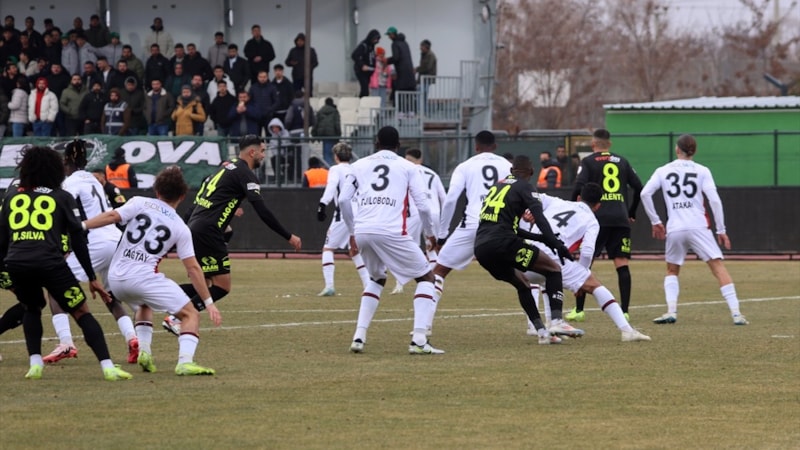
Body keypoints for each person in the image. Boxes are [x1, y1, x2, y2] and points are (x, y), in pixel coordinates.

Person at [0, 146, 131, 381]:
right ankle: (108, 366)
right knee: (81, 312)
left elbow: (2, 239)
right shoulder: (61, 196)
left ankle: (35, 364)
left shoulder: (11, 196)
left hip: (17, 263)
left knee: (31, 308)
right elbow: (78, 239)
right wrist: (92, 278)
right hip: (51, 264)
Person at [83, 166, 222, 375]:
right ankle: (185, 362)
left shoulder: (139, 202)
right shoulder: (180, 227)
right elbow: (192, 268)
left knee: (144, 304)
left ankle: (145, 351)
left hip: (116, 279)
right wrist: (209, 303)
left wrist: (82, 225)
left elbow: (112, 216)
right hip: (143, 277)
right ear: (183, 196)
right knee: (190, 314)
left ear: (157, 191)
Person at [162, 135, 302, 335]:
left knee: (206, 283)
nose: (264, 155)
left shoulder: (226, 167)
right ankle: (176, 316)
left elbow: (204, 196)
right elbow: (261, 210)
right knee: (222, 286)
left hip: (197, 226)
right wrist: (288, 236)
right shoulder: (245, 173)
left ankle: (159, 296)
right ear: (252, 152)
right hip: (208, 231)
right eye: (262, 151)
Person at [338, 126, 442, 355]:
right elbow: (424, 205)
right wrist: (430, 234)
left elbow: (344, 200)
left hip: (364, 230)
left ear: (376, 143)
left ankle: (359, 336)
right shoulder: (408, 167)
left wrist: (352, 232)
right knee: (427, 277)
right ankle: (419, 339)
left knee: (376, 279)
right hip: (391, 230)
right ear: (398, 145)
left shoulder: (358, 165)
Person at [40, 140, 141, 365]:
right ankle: (132, 338)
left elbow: (65, 210)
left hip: (94, 240)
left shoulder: (71, 182)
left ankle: (65, 342)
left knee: (56, 289)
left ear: (66, 161)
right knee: (109, 295)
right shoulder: (94, 180)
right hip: (115, 239)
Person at [640, 134, 749, 326]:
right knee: (717, 267)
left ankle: (671, 311)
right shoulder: (702, 171)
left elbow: (644, 193)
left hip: (675, 227)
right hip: (699, 226)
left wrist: (655, 221)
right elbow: (714, 200)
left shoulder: (663, 170)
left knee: (672, 269)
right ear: (694, 151)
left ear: (677, 149)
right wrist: (721, 229)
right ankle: (736, 313)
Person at [521, 183, 651, 342]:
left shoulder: (556, 202)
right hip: (549, 256)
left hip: (524, 255)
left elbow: (537, 197)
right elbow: (588, 251)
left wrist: (528, 211)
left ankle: (549, 330)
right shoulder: (591, 221)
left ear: (578, 198)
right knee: (595, 285)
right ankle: (627, 330)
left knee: (546, 281)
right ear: (598, 206)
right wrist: (581, 276)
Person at [473, 155, 581, 344]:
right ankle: (556, 321)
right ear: (531, 172)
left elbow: (507, 226)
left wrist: (540, 238)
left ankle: (542, 333)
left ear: (511, 171)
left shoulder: (496, 187)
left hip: (482, 249)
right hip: (504, 243)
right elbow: (539, 217)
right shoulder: (525, 186)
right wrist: (557, 245)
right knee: (553, 269)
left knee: (523, 284)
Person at [430, 131, 512, 335]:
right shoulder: (506, 165)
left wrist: (442, 234)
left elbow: (450, 200)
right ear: (495, 146)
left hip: (472, 224)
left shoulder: (465, 166)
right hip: (501, 224)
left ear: (475, 147)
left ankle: (425, 326)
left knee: (439, 272)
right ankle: (534, 325)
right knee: (526, 271)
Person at [566, 129, 642, 322]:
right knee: (621, 264)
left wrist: (573, 209)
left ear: (593, 144)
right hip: (620, 218)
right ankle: (624, 310)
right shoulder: (622, 161)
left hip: (596, 219)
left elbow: (578, 187)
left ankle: (579, 310)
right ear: (609, 144)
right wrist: (631, 211)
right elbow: (639, 187)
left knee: (586, 263)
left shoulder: (589, 162)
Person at [316, 143, 371, 296]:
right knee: (354, 251)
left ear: (336, 156)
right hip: (360, 213)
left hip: (343, 213)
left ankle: (329, 286)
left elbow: (332, 186)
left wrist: (322, 203)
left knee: (328, 248)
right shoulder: (356, 169)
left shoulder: (335, 169)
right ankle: (368, 284)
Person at [390, 148, 447, 295]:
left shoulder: (405, 171)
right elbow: (444, 197)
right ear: (420, 160)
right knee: (431, 249)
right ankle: (435, 282)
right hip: (434, 212)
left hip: (416, 213)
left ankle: (399, 284)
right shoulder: (433, 174)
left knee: (408, 248)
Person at [385, 27, 415, 111]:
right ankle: (410, 113)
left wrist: (387, 61)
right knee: (410, 96)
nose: (389, 37)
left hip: (402, 74)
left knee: (399, 94)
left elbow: (396, 57)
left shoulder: (395, 44)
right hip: (410, 75)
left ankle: (400, 113)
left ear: (392, 34)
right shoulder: (405, 43)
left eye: (389, 35)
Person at [312, 97, 342, 166]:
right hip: (333, 135)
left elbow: (316, 123)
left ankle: (327, 166)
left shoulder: (320, 111)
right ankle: (330, 167)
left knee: (326, 153)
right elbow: (337, 124)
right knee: (332, 152)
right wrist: (339, 135)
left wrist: (314, 134)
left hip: (323, 134)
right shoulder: (335, 111)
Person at [351, 29, 380, 97]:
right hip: (361, 71)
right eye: (375, 39)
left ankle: (361, 102)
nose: (376, 41)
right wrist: (362, 65)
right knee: (365, 90)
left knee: (365, 89)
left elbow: (369, 56)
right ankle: (362, 104)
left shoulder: (372, 46)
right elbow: (354, 55)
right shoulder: (363, 45)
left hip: (368, 72)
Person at [416, 39, 436, 113]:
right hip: (423, 79)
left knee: (422, 96)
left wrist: (417, 69)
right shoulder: (424, 54)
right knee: (422, 96)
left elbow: (428, 67)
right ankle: (422, 112)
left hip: (426, 79)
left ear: (426, 47)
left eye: (422, 46)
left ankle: (422, 113)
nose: (420, 48)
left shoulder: (430, 55)